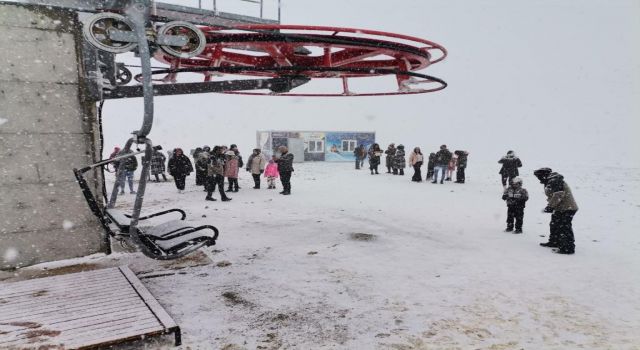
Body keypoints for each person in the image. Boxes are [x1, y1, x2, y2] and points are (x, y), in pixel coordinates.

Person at [540, 170, 579, 254]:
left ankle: (567, 248)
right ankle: (554, 242)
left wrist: (550, 206)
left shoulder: (555, 180)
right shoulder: (552, 180)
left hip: (567, 208)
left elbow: (558, 194)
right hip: (560, 208)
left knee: (564, 227)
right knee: (554, 224)